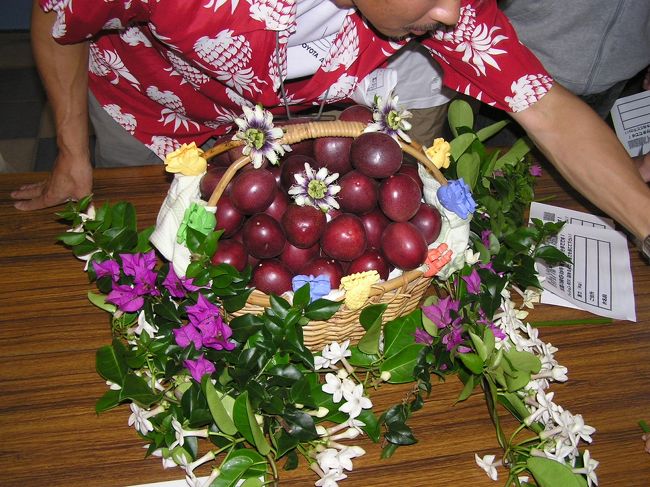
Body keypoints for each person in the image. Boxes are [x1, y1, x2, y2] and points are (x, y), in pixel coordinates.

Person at [11, 0, 650, 259]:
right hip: (154, 112)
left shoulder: (443, 8)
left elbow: (546, 109)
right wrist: (72, 152)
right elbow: (58, 18)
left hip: (271, 126)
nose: (454, 12)